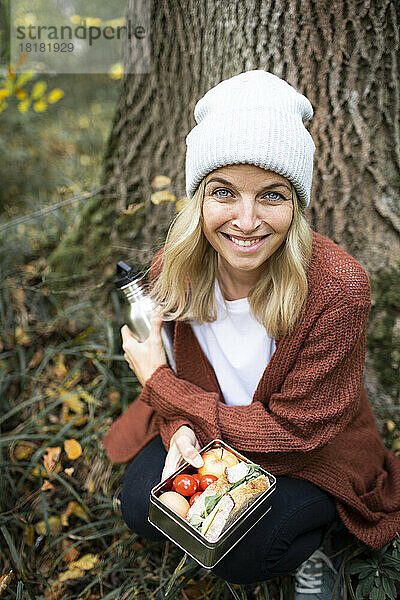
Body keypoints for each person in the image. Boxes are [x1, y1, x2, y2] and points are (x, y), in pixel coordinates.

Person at [103, 70, 400, 598]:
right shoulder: (174, 269)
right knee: (141, 503)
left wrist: (161, 388)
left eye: (271, 195)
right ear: (199, 199)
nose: (246, 221)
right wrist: (179, 431)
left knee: (249, 551)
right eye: (224, 192)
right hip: (216, 431)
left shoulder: (337, 288)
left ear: (296, 204)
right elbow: (177, 371)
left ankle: (321, 543)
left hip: (303, 453)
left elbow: (293, 437)